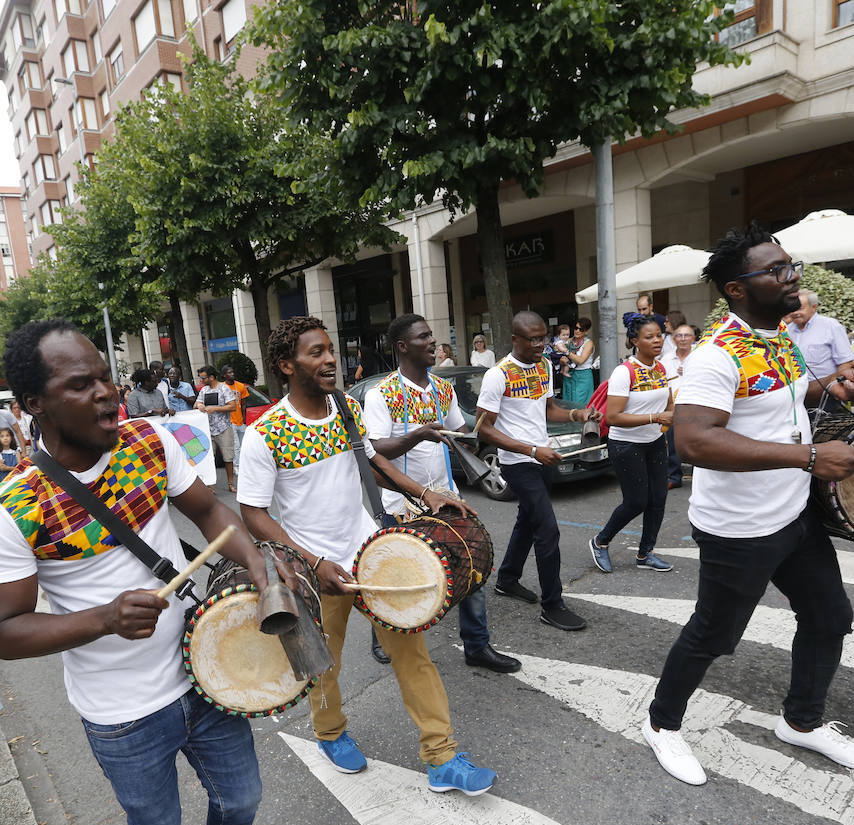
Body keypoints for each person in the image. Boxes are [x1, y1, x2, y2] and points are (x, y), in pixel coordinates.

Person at [0, 319, 293, 825]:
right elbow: (4, 633)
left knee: (242, 796)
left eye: (105, 377)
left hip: (205, 668)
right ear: (34, 404)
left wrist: (257, 560)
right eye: (80, 384)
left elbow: (208, 510)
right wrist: (104, 618)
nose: (104, 392)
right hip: (123, 711)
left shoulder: (149, 441)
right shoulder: (8, 508)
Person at [639, 223, 854, 788]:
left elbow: (784, 398)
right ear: (737, 290)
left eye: (789, 264)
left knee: (829, 618)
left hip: (794, 514)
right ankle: (662, 723)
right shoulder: (715, 354)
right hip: (740, 529)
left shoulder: (777, 338)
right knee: (714, 635)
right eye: (776, 270)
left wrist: (830, 388)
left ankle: (801, 721)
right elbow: (694, 441)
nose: (791, 275)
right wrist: (807, 457)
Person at [237, 315, 499, 797]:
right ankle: (330, 732)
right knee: (323, 663)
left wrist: (424, 493)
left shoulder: (343, 406)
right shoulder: (265, 433)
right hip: (316, 570)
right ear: (285, 365)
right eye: (315, 353)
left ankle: (441, 756)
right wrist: (311, 562)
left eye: (330, 349)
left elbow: (373, 463)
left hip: (371, 555)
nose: (330, 359)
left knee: (413, 654)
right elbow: (252, 512)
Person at [363, 314, 521, 674]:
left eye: (431, 336)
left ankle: (477, 645)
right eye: (423, 337)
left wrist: (485, 429)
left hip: (444, 497)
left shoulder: (442, 389)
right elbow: (374, 451)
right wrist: (416, 434)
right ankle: (383, 633)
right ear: (402, 346)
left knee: (471, 567)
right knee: (395, 576)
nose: (433, 342)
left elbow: (460, 432)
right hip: (400, 502)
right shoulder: (381, 394)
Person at [477, 311, 599, 632]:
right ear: (514, 339)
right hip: (519, 463)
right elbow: (483, 429)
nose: (540, 343)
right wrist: (531, 450)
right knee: (547, 530)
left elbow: (548, 409)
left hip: (541, 458)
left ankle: (506, 579)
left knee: (527, 523)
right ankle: (552, 605)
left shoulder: (544, 366)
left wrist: (577, 412)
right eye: (532, 339)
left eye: (542, 337)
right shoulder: (498, 375)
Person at [589, 316, 675, 575]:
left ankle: (645, 553)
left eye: (659, 335)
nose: (657, 340)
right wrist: (654, 417)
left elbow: (668, 402)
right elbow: (613, 417)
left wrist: (669, 416)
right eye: (649, 337)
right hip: (626, 445)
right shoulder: (624, 372)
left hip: (655, 442)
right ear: (635, 342)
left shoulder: (659, 368)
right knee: (636, 501)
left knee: (658, 499)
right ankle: (600, 541)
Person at [785, 289, 854, 381]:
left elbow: (846, 362)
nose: (795, 313)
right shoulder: (786, 329)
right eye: (792, 309)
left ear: (814, 307)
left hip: (823, 390)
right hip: (794, 390)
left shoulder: (831, 326)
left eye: (800, 308)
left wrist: (835, 384)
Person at [661, 323, 697, 488]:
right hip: (674, 406)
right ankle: (674, 477)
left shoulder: (700, 355)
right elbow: (662, 383)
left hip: (698, 405)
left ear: (693, 338)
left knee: (699, 441)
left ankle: (700, 477)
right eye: (679, 336)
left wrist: (691, 370)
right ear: (674, 339)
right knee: (673, 442)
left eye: (686, 335)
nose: (683, 339)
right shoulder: (666, 359)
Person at [196, 365, 239, 493]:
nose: (201, 380)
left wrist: (215, 408)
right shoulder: (204, 390)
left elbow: (232, 406)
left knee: (228, 458)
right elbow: (196, 403)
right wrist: (200, 405)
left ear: (212, 377)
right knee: (209, 458)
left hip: (223, 428)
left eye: (203, 378)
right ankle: (210, 486)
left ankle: (231, 483)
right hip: (207, 429)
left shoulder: (223, 388)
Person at [558, 317, 597, 405]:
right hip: (569, 374)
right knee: (568, 402)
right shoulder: (568, 341)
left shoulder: (588, 343)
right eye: (576, 328)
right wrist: (562, 360)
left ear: (586, 331)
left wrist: (566, 352)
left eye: (581, 329)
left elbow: (580, 361)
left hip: (583, 376)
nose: (577, 331)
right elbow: (559, 355)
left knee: (581, 403)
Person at [222, 365, 250, 455]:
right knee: (236, 447)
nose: (232, 374)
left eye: (232, 372)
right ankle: (237, 468)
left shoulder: (240, 386)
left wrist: (244, 420)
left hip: (240, 421)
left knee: (244, 446)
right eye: (229, 373)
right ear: (224, 375)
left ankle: (243, 466)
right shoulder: (221, 387)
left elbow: (244, 404)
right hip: (230, 422)